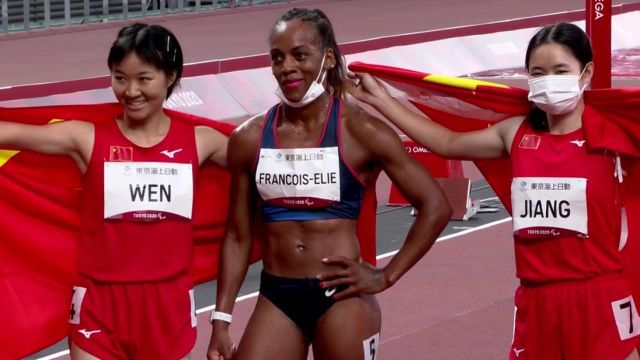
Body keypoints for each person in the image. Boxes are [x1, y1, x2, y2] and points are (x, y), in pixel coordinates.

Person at [348, 22, 640, 360]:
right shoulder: (514, 134)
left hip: (599, 296)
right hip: (537, 300)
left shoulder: (614, 135)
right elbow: (446, 142)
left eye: (560, 71)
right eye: (538, 72)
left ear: (585, 73)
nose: (549, 80)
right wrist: (380, 99)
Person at [206, 7, 451, 360]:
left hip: (341, 297)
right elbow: (237, 235)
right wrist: (221, 320)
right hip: (277, 295)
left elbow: (436, 205)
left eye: (300, 55)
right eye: (277, 57)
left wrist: (386, 276)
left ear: (328, 58)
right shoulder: (250, 138)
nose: (286, 67)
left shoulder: (361, 131)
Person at [0, 23, 228, 359]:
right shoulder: (86, 138)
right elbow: (10, 134)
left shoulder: (201, 142)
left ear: (171, 76)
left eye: (143, 78)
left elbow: (267, 164)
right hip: (99, 307)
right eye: (120, 77)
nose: (130, 90)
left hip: (167, 306)